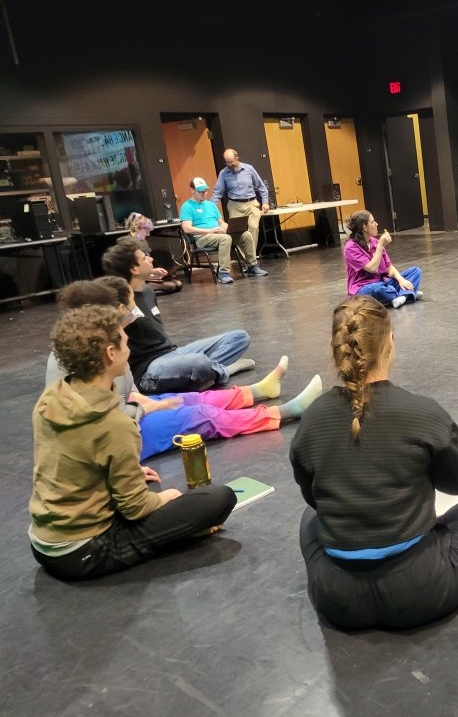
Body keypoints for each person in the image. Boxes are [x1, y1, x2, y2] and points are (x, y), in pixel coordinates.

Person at [290, 295, 458, 629]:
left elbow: (313, 498)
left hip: (337, 599)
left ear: (335, 347)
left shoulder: (311, 420)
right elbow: (457, 483)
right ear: (390, 343)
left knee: (309, 516)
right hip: (420, 591)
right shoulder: (423, 413)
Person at [29, 304, 238, 581]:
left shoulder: (52, 398)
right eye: (124, 336)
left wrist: (126, 472)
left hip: (42, 543)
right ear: (110, 353)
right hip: (84, 552)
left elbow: (71, 459)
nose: (129, 339)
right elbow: (135, 507)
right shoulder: (115, 425)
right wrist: (169, 498)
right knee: (218, 499)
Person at [45, 277, 324, 461]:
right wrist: (151, 407)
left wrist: (147, 402)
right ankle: (283, 412)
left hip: (129, 413)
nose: (124, 324)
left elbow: (128, 390)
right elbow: (101, 422)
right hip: (120, 435)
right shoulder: (71, 360)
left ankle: (258, 391)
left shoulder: (105, 343)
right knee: (200, 416)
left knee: (192, 398)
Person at [101, 239, 256, 394]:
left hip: (172, 353)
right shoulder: (121, 303)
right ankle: (222, 372)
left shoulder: (148, 291)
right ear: (134, 269)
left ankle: (207, 374)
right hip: (149, 369)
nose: (151, 259)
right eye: (144, 258)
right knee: (199, 362)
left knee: (240, 337)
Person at [181, 177, 266, 283]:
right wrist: (210, 231)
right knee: (225, 239)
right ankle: (223, 273)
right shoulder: (187, 206)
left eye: (205, 191)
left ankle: (252, 266)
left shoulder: (211, 205)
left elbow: (221, 223)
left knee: (246, 234)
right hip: (202, 237)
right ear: (192, 190)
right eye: (200, 191)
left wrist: (231, 229)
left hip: (218, 234)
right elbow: (186, 228)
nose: (203, 193)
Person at [343, 210, 422, 308]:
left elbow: (389, 267)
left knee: (415, 271)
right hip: (363, 287)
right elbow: (372, 268)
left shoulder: (375, 242)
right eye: (372, 222)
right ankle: (407, 294)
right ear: (364, 227)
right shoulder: (351, 247)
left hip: (383, 282)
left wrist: (401, 280)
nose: (376, 224)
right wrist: (380, 246)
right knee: (375, 289)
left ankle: (402, 295)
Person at [211, 149, 270, 259]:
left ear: (237, 158)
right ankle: (249, 261)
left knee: (253, 228)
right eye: (227, 162)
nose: (229, 164)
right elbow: (217, 192)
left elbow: (261, 187)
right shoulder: (224, 173)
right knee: (238, 233)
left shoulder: (249, 169)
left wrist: (265, 202)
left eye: (231, 162)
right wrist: (210, 208)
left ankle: (250, 260)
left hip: (251, 203)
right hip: (235, 205)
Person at [120, 212, 184, 294]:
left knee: (178, 284)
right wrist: (151, 272)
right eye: (146, 230)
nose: (148, 233)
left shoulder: (143, 241)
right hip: (137, 278)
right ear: (137, 228)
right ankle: (139, 291)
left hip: (147, 275)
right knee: (171, 286)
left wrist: (153, 271)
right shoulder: (128, 244)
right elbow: (130, 269)